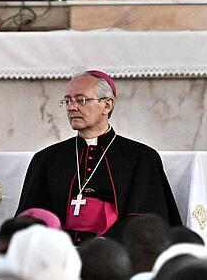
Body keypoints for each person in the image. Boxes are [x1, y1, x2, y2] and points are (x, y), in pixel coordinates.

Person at [16, 70, 181, 243]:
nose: (71, 107)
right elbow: (30, 218)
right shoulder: (46, 159)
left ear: (107, 105)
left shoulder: (142, 158)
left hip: (118, 258)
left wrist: (103, 247)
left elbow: (147, 222)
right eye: (68, 100)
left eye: (81, 100)